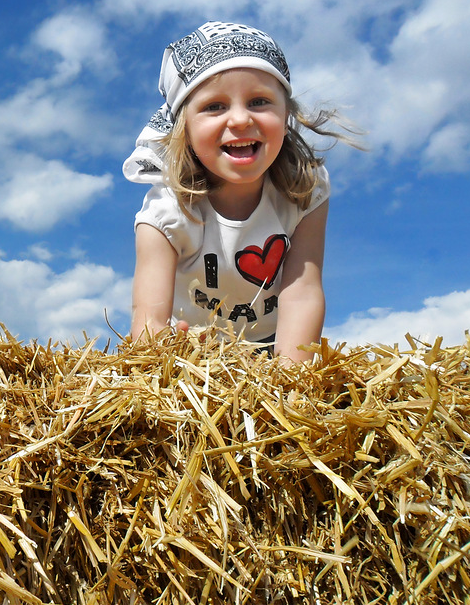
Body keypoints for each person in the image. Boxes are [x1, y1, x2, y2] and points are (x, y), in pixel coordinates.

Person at [124, 21, 356, 362]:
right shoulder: (165, 210)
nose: (240, 120)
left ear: (286, 112)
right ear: (183, 127)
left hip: (273, 342)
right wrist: (164, 366)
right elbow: (149, 317)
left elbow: (302, 291)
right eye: (214, 106)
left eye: (259, 101)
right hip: (191, 349)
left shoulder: (305, 188)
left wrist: (292, 384)